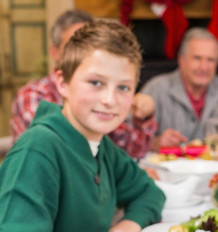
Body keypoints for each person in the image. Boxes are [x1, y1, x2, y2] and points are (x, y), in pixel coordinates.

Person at [0, 19, 191, 232]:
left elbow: (150, 192)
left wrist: (129, 224)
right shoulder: (40, 149)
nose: (109, 100)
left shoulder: (97, 144)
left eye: (123, 88)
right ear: (62, 81)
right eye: (95, 82)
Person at [10, 9, 157, 160]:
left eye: (94, 44)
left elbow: (128, 152)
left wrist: (141, 119)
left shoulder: (104, 102)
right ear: (55, 52)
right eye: (75, 44)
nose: (109, 99)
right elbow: (56, 149)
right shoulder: (33, 95)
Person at [141, 27, 218, 148]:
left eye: (210, 60)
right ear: (181, 60)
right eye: (197, 58)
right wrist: (156, 142)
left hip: (214, 165)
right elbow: (129, 139)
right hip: (168, 165)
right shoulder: (156, 88)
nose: (204, 67)